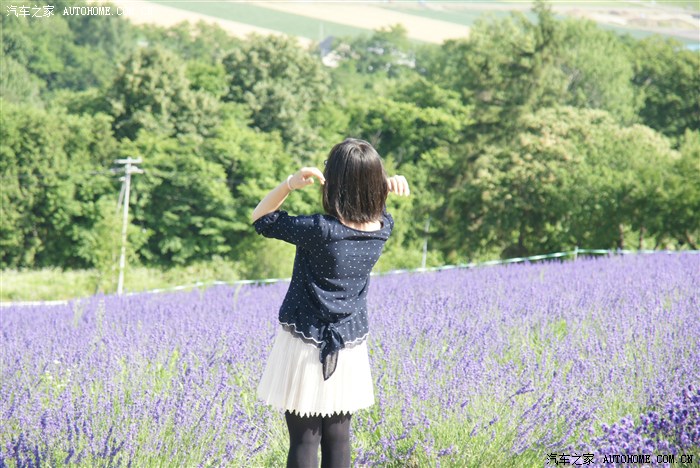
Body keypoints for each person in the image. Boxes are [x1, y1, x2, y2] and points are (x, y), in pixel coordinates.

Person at [251, 138, 410, 468]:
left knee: (304, 440)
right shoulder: (382, 228)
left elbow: (261, 218)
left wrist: (289, 184)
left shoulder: (319, 229)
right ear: (374, 182)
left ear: (335, 182)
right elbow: (374, 205)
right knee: (339, 438)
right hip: (349, 346)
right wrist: (383, 185)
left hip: (305, 343)